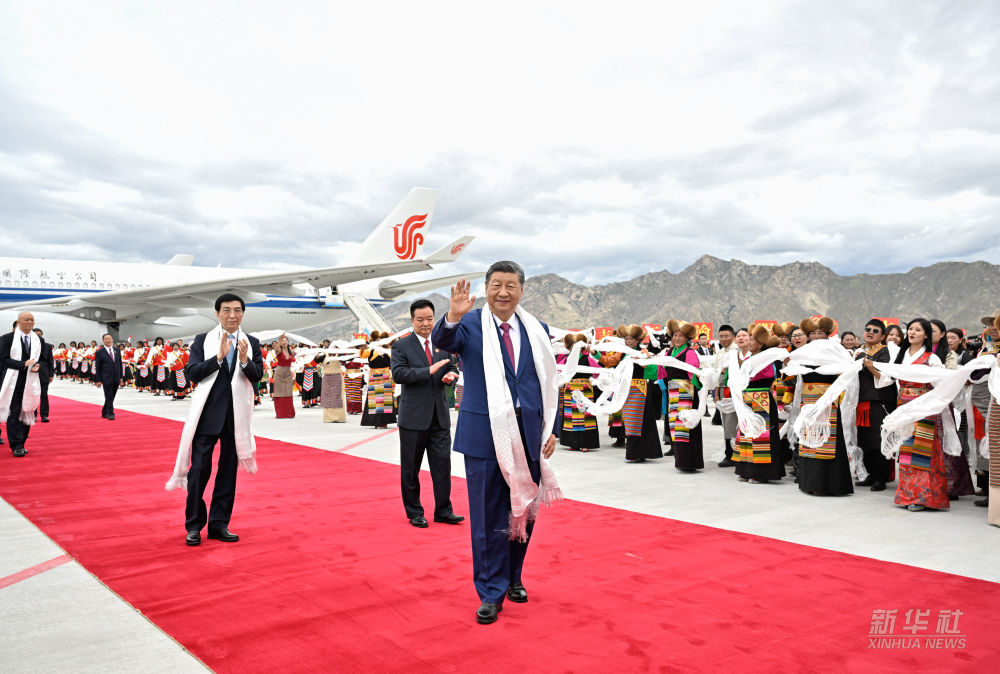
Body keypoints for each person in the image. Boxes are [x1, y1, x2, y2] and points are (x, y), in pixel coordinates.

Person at [432, 261, 562, 626]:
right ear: (487, 288)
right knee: (488, 515)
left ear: (521, 290)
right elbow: (443, 342)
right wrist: (453, 316)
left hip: (529, 431)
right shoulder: (469, 324)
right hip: (484, 434)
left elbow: (550, 381)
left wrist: (553, 427)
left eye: (510, 286)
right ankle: (491, 592)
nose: (503, 292)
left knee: (523, 510)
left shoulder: (537, 329)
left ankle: (513, 576)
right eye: (496, 285)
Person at [167, 293, 263, 546]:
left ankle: (219, 524)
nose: (232, 315)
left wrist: (244, 361)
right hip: (207, 416)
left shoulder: (251, 342)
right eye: (227, 310)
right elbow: (192, 373)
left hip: (235, 418)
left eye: (237, 310)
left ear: (243, 313)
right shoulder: (203, 340)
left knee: (227, 474)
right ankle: (194, 525)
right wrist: (218, 358)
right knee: (199, 471)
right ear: (217, 313)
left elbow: (258, 376)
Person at [391, 298, 463, 528]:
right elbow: (399, 374)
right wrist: (428, 370)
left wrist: (451, 376)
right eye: (420, 319)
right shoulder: (401, 346)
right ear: (412, 320)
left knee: (442, 467)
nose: (425, 323)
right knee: (411, 468)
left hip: (439, 417)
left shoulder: (443, 343)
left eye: (429, 318)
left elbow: (452, 366)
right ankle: (415, 512)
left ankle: (443, 510)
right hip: (413, 418)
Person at [795, 316, 854, 497]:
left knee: (827, 437)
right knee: (809, 437)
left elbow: (847, 371)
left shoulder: (836, 349)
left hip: (828, 397)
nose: (816, 336)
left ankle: (828, 484)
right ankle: (809, 482)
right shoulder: (803, 351)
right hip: (808, 398)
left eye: (820, 332)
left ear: (828, 334)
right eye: (813, 333)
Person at [732, 324, 786, 483]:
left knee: (761, 435)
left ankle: (760, 472)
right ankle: (745, 469)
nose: (749, 342)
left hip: (762, 400)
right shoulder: (749, 359)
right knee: (747, 433)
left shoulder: (766, 359)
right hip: (747, 400)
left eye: (752, 339)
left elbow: (763, 376)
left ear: (761, 344)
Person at [854, 319, 896, 491]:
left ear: (883, 336)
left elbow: (888, 377)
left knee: (878, 440)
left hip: (879, 402)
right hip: (861, 401)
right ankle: (870, 474)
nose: (870, 332)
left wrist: (871, 367)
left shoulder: (885, 352)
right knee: (864, 440)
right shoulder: (859, 352)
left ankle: (880, 478)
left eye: (875, 331)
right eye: (868, 329)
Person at [1, 313, 44, 457]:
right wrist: (22, 364)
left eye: (32, 320)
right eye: (27, 320)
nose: (30, 322)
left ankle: (22, 442)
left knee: (28, 412)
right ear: (19, 322)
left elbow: (43, 360)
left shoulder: (38, 340)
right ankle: (16, 445)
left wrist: (38, 365)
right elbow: (3, 359)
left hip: (31, 382)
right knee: (14, 413)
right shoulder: (7, 338)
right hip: (14, 383)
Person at [663, 320, 704, 471]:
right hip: (673, 393)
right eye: (675, 335)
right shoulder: (669, 353)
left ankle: (690, 462)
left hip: (687, 394)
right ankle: (681, 461)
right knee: (675, 427)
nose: (677, 338)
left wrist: (698, 380)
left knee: (686, 425)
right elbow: (661, 371)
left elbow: (694, 372)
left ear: (687, 338)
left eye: (681, 336)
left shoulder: (690, 352)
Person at [713, 324, 739, 466]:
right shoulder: (721, 352)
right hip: (722, 391)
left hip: (733, 390)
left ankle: (733, 454)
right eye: (721, 336)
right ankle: (728, 452)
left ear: (733, 337)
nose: (723, 339)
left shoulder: (737, 351)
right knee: (725, 422)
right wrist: (716, 393)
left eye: (726, 336)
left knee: (732, 423)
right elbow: (717, 374)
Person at [361, 331, 397, 428]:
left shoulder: (388, 351)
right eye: (377, 340)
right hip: (374, 378)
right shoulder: (371, 350)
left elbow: (394, 358)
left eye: (381, 341)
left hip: (385, 377)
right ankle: (375, 421)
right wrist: (363, 348)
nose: (379, 342)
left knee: (385, 400)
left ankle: (384, 422)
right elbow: (363, 355)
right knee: (374, 400)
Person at [94, 333, 122, 420]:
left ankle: (104, 411)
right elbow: (97, 367)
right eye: (106, 339)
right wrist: (98, 380)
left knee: (112, 396)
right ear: (103, 340)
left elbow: (120, 364)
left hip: (116, 377)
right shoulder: (99, 352)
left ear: (112, 340)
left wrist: (121, 377)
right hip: (106, 377)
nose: (108, 340)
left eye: (109, 338)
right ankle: (110, 413)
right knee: (109, 396)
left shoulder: (117, 350)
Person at [32, 328, 54, 423]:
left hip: (44, 374)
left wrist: (51, 374)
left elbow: (50, 361)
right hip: (31, 373)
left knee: (44, 395)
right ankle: (33, 414)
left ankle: (44, 415)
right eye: (36, 335)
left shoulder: (47, 346)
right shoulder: (28, 345)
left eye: (40, 335)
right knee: (32, 395)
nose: (38, 336)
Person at [272, 334, 296, 418]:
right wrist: (280, 340)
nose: (284, 342)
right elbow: (276, 348)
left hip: (288, 373)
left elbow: (295, 355)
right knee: (279, 392)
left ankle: (289, 413)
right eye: (282, 341)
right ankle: (281, 413)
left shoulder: (291, 352)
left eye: (285, 340)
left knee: (288, 392)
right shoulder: (279, 350)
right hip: (279, 373)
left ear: (288, 342)